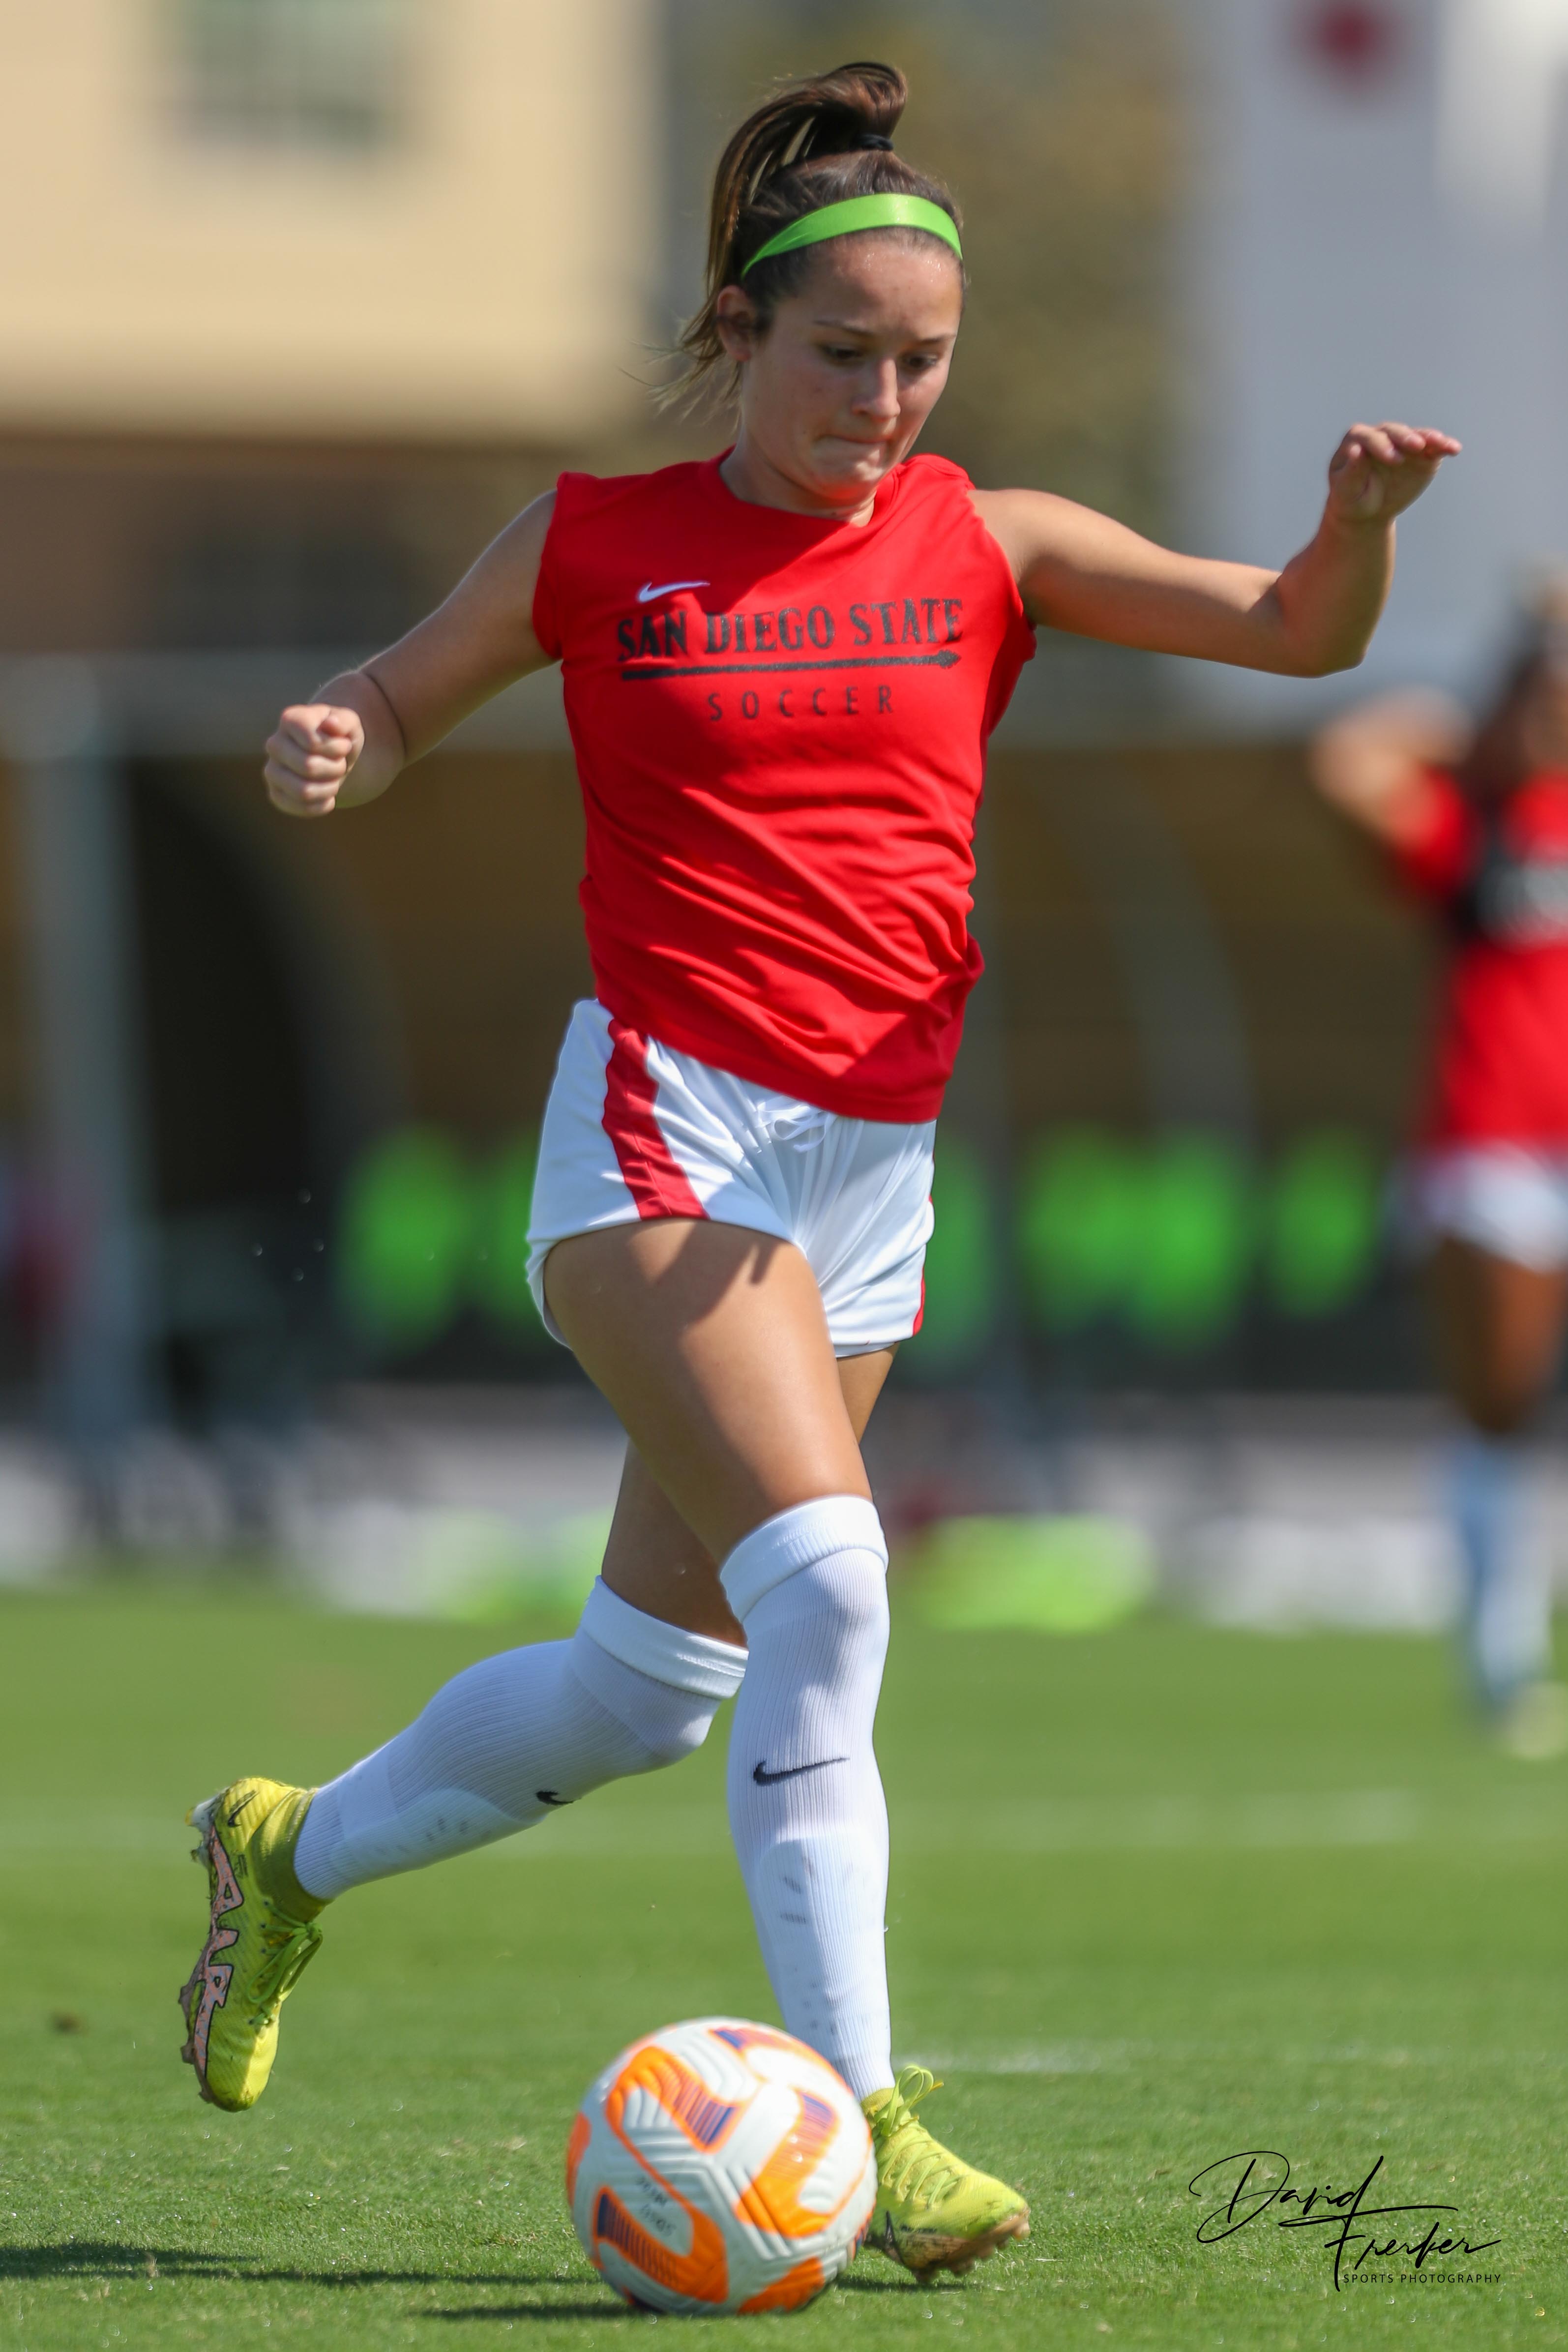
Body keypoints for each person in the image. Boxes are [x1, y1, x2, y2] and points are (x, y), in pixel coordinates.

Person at [178, 60, 1456, 2281]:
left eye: (918, 361)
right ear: (738, 330)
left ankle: (287, 1853)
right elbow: (388, 703)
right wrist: (331, 741)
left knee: (645, 1689)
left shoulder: (989, 539)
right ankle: (863, 2114)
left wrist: (1354, 524)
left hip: (870, 1165)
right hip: (665, 1137)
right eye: (841, 353)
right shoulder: (594, 541)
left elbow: (1292, 633)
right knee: (840, 1589)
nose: (880, 400)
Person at [1311, 597, 1568, 1758]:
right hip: (1489, 1146)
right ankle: (1498, 1656)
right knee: (1499, 1401)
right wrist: (1475, 719)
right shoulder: (1478, 826)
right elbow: (1347, 759)